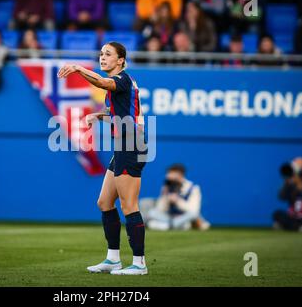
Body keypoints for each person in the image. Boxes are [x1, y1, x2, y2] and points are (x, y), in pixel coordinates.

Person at [57, 42, 149, 275]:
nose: (102, 57)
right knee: (105, 202)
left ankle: (139, 264)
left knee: (129, 205)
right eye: (101, 54)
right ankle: (113, 260)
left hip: (132, 145)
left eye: (108, 54)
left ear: (120, 60)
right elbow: (120, 114)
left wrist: (79, 68)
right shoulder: (118, 87)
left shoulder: (122, 79)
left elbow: (101, 82)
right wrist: (97, 116)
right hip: (122, 146)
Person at [140, 163, 210, 231]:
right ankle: (172, 226)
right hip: (169, 217)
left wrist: (178, 201)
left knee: (194, 215)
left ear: (179, 175)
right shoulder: (167, 186)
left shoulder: (193, 188)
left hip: (183, 217)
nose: (168, 176)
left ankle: (167, 226)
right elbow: (159, 209)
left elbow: (193, 210)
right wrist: (165, 197)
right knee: (152, 213)